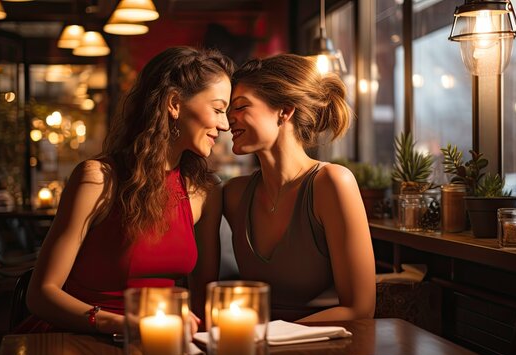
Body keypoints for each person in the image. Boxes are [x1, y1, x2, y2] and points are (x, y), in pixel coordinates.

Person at [23, 47, 233, 334]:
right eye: (219, 109)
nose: (224, 125)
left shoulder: (204, 191)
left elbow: (201, 302)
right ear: (174, 103)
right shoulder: (98, 179)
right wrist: (125, 326)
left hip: (157, 344)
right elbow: (40, 295)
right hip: (75, 337)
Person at [223, 54, 376, 322]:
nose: (228, 120)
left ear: (284, 110)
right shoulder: (234, 194)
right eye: (227, 110)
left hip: (322, 347)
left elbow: (360, 309)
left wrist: (271, 338)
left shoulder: (331, 183)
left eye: (240, 106)